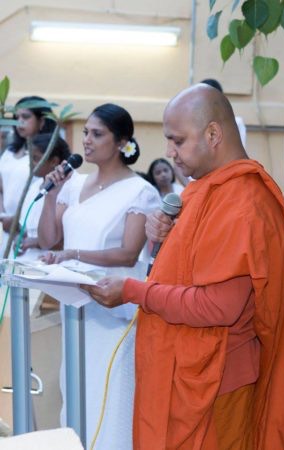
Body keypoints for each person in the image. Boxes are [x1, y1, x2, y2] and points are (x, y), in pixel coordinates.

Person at [81, 84, 284, 449]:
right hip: (186, 372)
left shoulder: (244, 203)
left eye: (177, 141)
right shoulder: (204, 189)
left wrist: (131, 291)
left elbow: (219, 306)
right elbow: (188, 267)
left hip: (217, 383)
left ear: (213, 134)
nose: (169, 152)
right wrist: (164, 236)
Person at [37, 103, 160, 449]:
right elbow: (49, 240)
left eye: (97, 134)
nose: (87, 140)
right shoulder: (73, 185)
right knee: (76, 397)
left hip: (113, 313)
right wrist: (51, 195)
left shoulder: (140, 192)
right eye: (86, 133)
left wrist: (73, 255)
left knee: (111, 402)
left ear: (121, 142)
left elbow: (128, 253)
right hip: (75, 310)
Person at [0, 96, 56, 256]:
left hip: (30, 230)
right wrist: (3, 216)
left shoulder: (48, 155)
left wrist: (18, 221)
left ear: (42, 121)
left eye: (25, 117)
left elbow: (48, 190)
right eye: (16, 117)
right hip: (6, 228)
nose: (20, 122)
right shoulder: (9, 151)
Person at [15, 133, 71, 261]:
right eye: (29, 158)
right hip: (26, 261)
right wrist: (19, 238)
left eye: (35, 158)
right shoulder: (34, 186)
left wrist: (35, 242)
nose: (30, 163)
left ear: (54, 161)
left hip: (51, 263)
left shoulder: (69, 187)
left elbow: (69, 239)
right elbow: (25, 227)